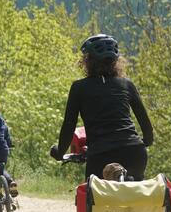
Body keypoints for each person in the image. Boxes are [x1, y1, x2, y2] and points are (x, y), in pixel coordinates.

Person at [51, 34, 154, 181]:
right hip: (134, 152)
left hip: (101, 154)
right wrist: (146, 141)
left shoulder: (79, 88)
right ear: (116, 61)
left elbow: (69, 125)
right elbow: (146, 124)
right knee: (135, 194)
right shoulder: (127, 84)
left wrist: (60, 152)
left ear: (87, 61)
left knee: (94, 197)